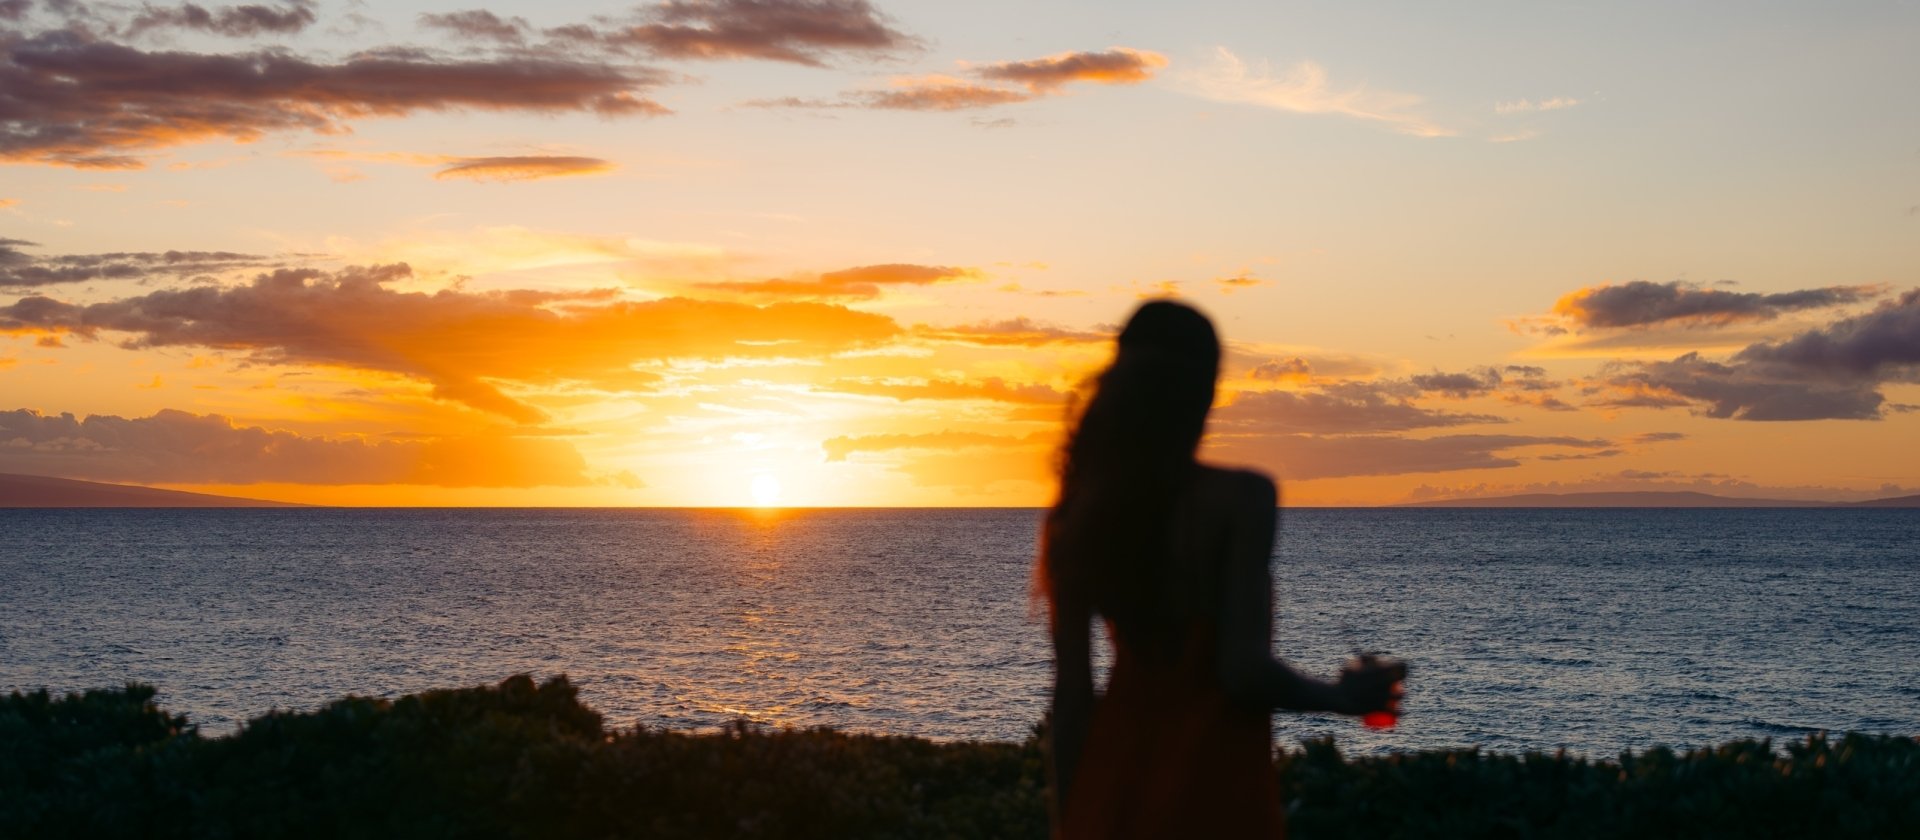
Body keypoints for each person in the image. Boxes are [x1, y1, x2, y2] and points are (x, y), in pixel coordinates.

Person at [1038, 300, 1405, 839]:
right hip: (1213, 780)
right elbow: (1240, 670)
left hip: (1115, 785)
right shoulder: (1241, 499)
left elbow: (1070, 699)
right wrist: (1341, 697)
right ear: (1207, 391)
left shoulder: (1081, 512)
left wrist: (1073, 822)